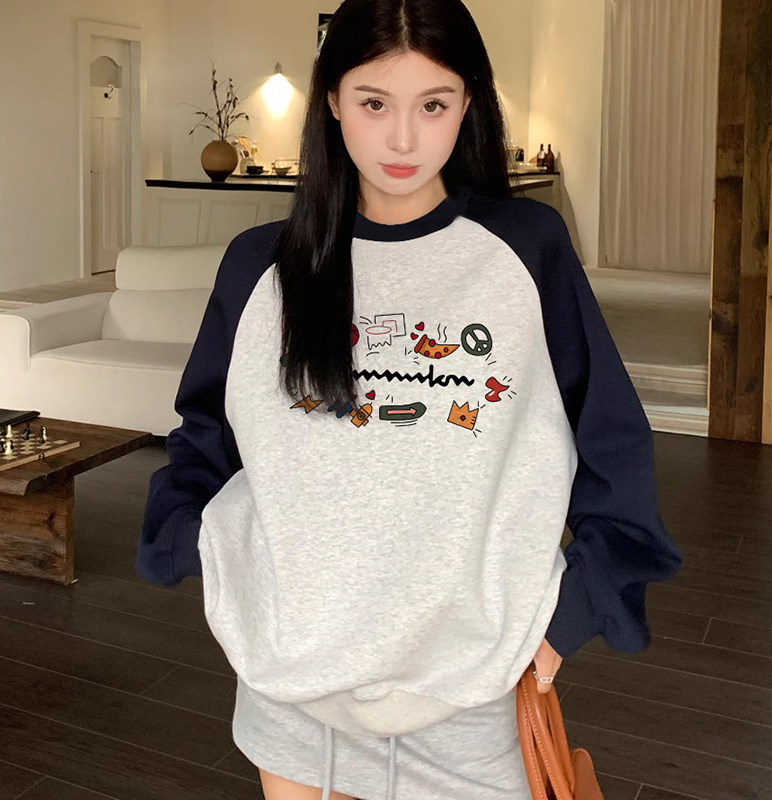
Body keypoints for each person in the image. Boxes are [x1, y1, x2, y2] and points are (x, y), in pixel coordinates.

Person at [136, 0, 683, 798]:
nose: (402, 139)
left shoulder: (525, 250)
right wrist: (202, 552)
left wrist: (575, 612)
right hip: (291, 687)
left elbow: (612, 441)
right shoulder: (262, 265)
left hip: (470, 692)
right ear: (332, 99)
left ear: (468, 104)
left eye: (433, 105)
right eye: (374, 103)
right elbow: (205, 433)